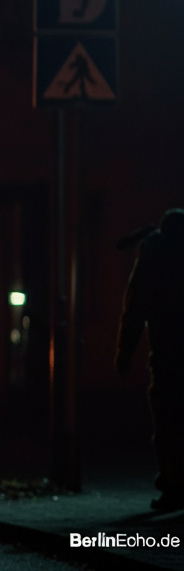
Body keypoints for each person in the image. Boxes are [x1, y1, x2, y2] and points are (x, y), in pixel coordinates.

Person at [116, 208, 184, 512]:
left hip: (168, 351)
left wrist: (125, 351)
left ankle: (174, 488)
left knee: (169, 421)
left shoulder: (155, 252)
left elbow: (136, 304)